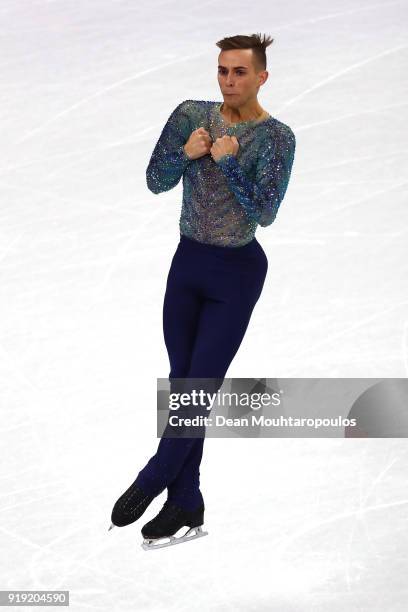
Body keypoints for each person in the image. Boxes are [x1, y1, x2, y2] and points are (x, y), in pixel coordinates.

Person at [109, 32, 296, 549]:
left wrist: (230, 161)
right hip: (187, 263)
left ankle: (153, 477)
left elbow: (265, 212)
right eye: (222, 70)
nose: (229, 80)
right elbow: (154, 179)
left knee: (198, 389)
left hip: (236, 274)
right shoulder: (192, 115)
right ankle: (187, 500)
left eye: (240, 72)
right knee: (184, 385)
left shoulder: (278, 138)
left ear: (262, 76)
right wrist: (187, 155)